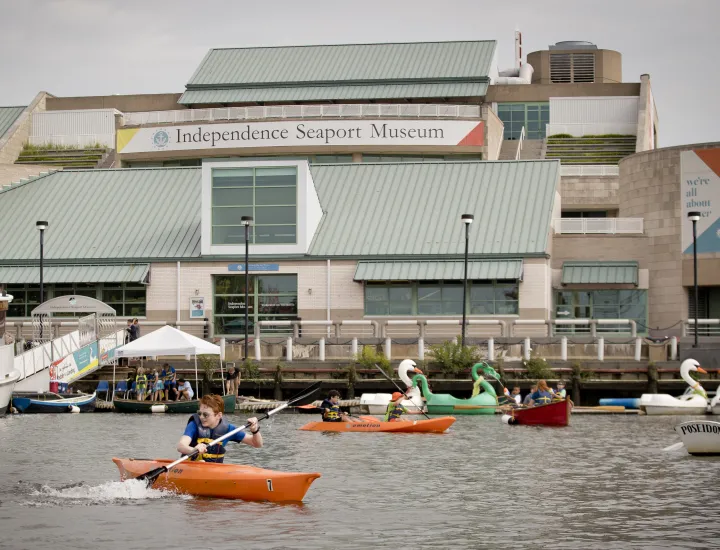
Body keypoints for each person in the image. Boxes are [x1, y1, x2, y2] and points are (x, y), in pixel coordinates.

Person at [176, 394, 262, 463]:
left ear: (219, 415)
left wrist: (255, 430)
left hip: (213, 471)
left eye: (206, 414)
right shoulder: (194, 425)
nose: (201, 417)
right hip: (191, 466)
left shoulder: (228, 429)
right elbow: (181, 446)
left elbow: (257, 444)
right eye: (199, 413)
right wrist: (193, 449)